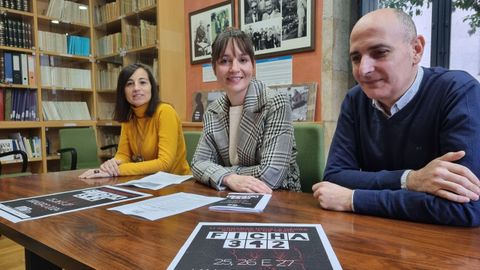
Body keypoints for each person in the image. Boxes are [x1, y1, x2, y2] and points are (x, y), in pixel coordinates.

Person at [312, 8, 480, 227]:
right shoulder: (355, 100)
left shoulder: (459, 92)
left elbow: (465, 207)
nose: (364, 69)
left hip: (444, 251)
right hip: (375, 239)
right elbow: (335, 176)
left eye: (380, 52)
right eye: (356, 58)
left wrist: (353, 199)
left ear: (416, 50)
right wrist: (410, 180)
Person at [191, 28, 301, 193]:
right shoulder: (213, 111)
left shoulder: (276, 103)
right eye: (225, 61)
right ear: (214, 68)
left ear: (253, 65)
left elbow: (271, 174)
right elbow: (198, 163)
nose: (234, 68)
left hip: (279, 197)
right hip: (231, 194)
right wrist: (230, 178)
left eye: (243, 60)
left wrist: (221, 172)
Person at [79, 64, 190, 179]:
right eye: (129, 84)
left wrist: (118, 170)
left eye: (142, 82)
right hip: (147, 181)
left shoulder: (165, 112)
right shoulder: (130, 117)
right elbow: (123, 155)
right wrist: (111, 166)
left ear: (151, 87)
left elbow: (165, 164)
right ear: (123, 91)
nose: (136, 88)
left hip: (177, 183)